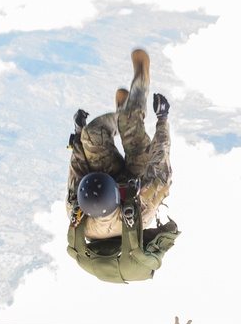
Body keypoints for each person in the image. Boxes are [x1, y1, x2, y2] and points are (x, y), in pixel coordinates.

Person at [65, 49, 179, 283]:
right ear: (117, 196)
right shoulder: (142, 208)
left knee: (92, 134)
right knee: (135, 138)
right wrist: (162, 120)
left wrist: (79, 135)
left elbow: (78, 167)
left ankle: (123, 116)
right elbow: (161, 166)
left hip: (115, 189)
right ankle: (137, 93)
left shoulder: (75, 210)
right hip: (136, 191)